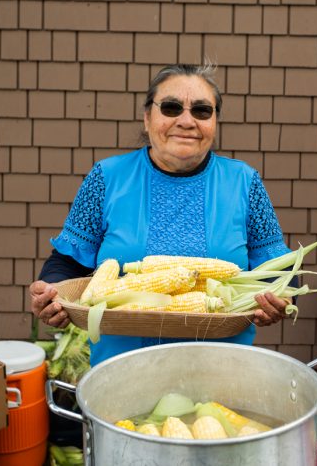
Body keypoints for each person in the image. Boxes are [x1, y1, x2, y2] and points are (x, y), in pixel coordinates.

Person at [29, 63, 292, 367]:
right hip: (122, 369)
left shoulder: (244, 183)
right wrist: (49, 291)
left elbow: (277, 269)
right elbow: (67, 262)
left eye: (202, 111)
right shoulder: (106, 178)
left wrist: (281, 301)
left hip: (222, 370)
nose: (186, 121)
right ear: (147, 118)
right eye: (171, 108)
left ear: (215, 122)